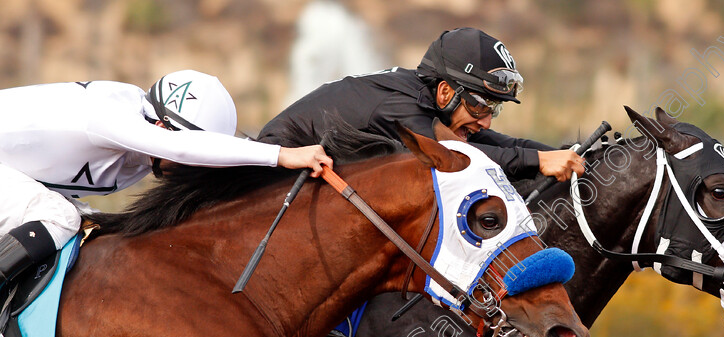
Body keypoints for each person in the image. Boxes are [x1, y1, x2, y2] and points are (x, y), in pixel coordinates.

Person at [0, 69, 333, 289]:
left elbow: (193, 146)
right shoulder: (110, 115)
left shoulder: (144, 141)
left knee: (85, 224)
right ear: (160, 127)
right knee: (61, 218)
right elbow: (183, 147)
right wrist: (282, 155)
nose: (194, 170)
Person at [258, 27, 585, 182]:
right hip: (269, 182)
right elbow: (457, 156)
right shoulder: (401, 106)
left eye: (494, 110)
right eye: (481, 106)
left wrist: (561, 154)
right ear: (445, 92)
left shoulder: (423, 100)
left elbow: (495, 143)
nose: (486, 122)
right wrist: (539, 160)